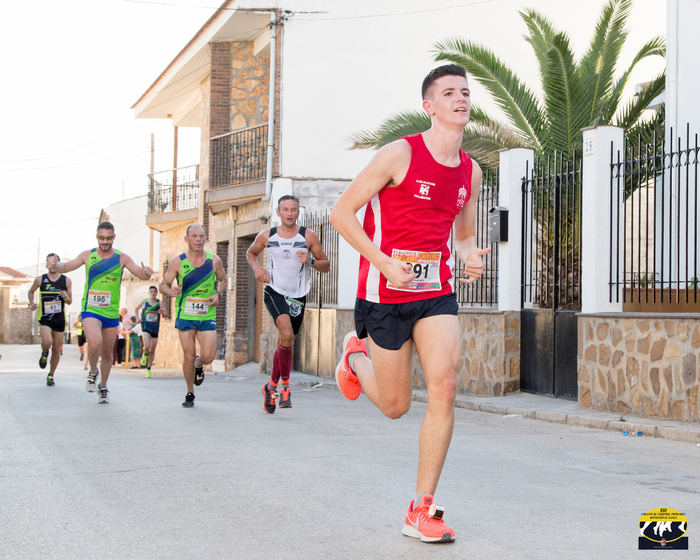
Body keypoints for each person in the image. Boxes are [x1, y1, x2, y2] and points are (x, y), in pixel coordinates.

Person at [329, 64, 491, 544]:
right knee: (397, 406)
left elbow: (461, 234)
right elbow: (341, 213)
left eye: (465, 92)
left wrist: (468, 256)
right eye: (449, 93)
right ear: (430, 106)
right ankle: (355, 357)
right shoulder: (399, 154)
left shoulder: (470, 171)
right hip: (384, 293)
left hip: (435, 292)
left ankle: (422, 508)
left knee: (444, 384)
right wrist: (381, 261)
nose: (460, 98)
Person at [48, 221, 153, 403]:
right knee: (94, 342)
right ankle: (92, 371)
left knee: (107, 354)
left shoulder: (121, 258)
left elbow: (138, 272)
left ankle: (103, 386)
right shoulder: (88, 255)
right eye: (102, 238)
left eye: (109, 238)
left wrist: (146, 273)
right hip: (91, 310)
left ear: (114, 237)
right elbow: (67, 266)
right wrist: (55, 266)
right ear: (97, 237)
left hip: (111, 313)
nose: (105, 241)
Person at [246, 195, 330, 413]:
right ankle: (284, 387)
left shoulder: (308, 237)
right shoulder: (268, 236)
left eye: (293, 209)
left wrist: (311, 261)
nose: (290, 213)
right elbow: (250, 253)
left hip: (298, 295)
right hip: (275, 291)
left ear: (298, 212)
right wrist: (257, 269)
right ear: (278, 213)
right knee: (285, 333)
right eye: (285, 209)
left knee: (286, 339)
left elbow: (326, 265)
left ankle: (270, 386)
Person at [159, 223, 226, 408]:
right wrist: (169, 291)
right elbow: (162, 284)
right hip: (185, 315)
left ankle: (200, 364)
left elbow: (224, 280)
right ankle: (190, 392)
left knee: (209, 356)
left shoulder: (214, 261)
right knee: (188, 354)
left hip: (206, 315)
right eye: (194, 236)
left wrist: (218, 294)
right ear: (187, 239)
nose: (198, 239)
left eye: (201, 236)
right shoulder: (178, 262)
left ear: (205, 239)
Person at [28, 253, 72, 386]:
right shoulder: (40, 279)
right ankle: (44, 352)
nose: (52, 264)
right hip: (45, 318)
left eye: (54, 262)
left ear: (58, 264)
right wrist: (31, 303)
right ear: (46, 264)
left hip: (59, 319)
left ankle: (51, 375)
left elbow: (70, 301)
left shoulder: (66, 280)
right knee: (47, 341)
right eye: (49, 262)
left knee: (56, 349)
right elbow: (31, 291)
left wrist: (65, 296)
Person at [135, 286, 164, 378]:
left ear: (157, 293)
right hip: (146, 326)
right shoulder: (145, 302)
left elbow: (166, 313)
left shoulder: (160, 303)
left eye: (154, 291)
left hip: (155, 327)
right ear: (149, 292)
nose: (153, 293)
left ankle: (148, 369)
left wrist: (161, 311)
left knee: (153, 349)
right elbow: (136, 308)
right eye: (151, 291)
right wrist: (137, 318)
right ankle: (144, 354)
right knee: (147, 345)